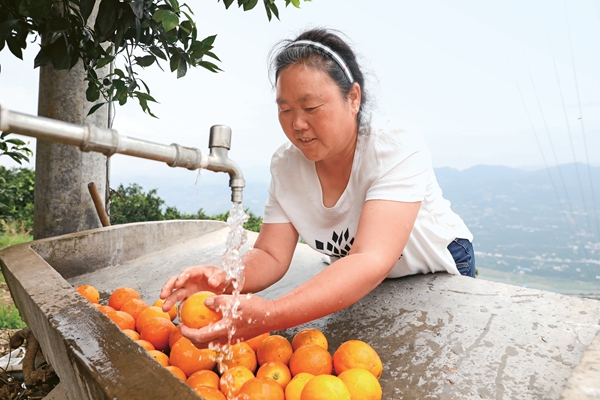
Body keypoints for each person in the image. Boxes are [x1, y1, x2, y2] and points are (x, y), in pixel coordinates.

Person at [160, 28, 474, 346]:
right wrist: (225, 279)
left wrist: (271, 314)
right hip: (364, 280)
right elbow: (270, 253)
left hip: (434, 267)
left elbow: (370, 257)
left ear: (353, 98)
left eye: (311, 108)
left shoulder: (392, 146)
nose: (297, 124)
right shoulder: (286, 165)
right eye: (285, 110)